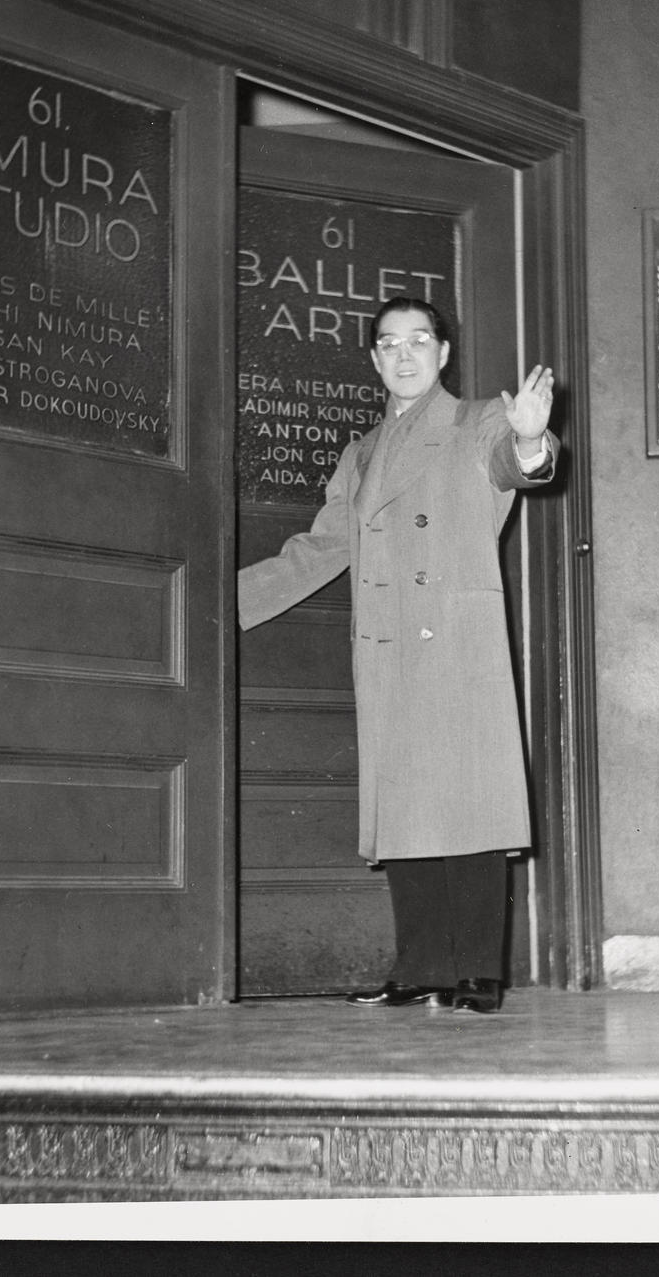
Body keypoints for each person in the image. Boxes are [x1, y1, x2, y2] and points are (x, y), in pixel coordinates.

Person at [237, 297, 558, 1014]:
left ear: (443, 353)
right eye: (390, 344)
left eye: (420, 341)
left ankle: (477, 971)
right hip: (386, 644)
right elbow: (324, 546)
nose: (405, 355)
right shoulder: (361, 452)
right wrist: (219, 605)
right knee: (406, 804)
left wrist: (532, 442)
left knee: (469, 802)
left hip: (452, 636)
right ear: (375, 360)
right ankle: (423, 969)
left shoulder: (479, 421)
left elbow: (513, 465)